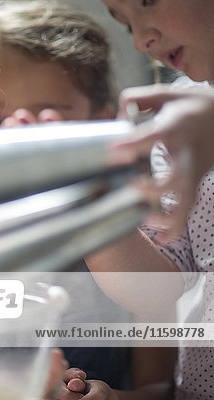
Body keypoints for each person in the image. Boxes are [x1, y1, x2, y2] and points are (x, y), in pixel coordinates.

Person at [0, 2, 176, 399]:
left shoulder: (136, 226)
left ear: (102, 125)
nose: (16, 137)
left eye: (50, 123)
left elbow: (159, 389)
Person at [75, 0, 214, 399]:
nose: (139, 40)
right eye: (124, 23)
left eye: (147, 2)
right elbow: (160, 287)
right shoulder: (175, 123)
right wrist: (95, 210)